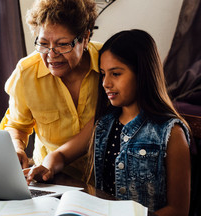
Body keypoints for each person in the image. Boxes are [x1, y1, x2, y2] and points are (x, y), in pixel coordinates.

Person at [25, 29, 191, 215]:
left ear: (142, 73)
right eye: (103, 74)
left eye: (116, 74)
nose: (105, 83)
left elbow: (178, 210)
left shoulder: (172, 133)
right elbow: (60, 155)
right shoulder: (103, 123)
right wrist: (46, 167)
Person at [0, 0, 101, 181]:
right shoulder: (27, 72)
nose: (52, 55)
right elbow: (17, 125)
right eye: (44, 44)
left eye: (63, 44)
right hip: (50, 178)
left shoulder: (109, 65)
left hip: (104, 179)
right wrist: (17, 148)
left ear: (85, 37)